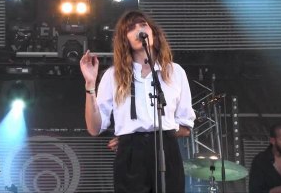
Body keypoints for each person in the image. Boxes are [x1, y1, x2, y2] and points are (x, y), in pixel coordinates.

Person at [80, 10, 196, 193]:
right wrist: (90, 84)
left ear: (153, 32)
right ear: (124, 39)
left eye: (143, 25)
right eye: (130, 28)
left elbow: (186, 126)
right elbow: (95, 128)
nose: (138, 30)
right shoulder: (113, 75)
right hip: (131, 154)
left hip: (166, 148)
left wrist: (157, 131)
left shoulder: (175, 72)